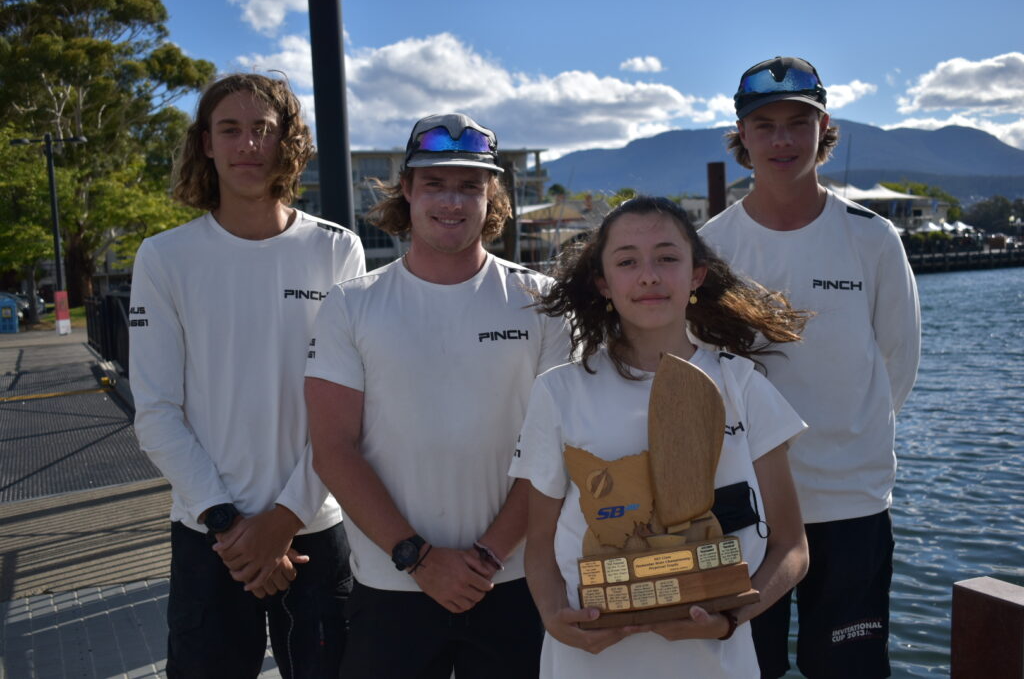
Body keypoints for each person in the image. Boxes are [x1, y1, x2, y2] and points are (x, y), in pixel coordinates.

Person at [304, 112, 570, 678]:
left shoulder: (541, 302)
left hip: (515, 582)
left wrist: (488, 558)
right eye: (434, 183)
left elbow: (555, 448)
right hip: (390, 585)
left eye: (470, 185)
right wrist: (416, 558)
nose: (452, 201)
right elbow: (332, 448)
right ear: (406, 189)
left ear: (491, 194)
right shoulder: (352, 305)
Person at [510, 195, 811, 678]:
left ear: (696, 275)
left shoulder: (742, 385)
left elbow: (792, 546)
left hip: (717, 663)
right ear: (604, 284)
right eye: (627, 261)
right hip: (591, 663)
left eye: (667, 258)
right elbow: (539, 544)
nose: (649, 275)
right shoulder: (558, 391)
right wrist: (554, 619)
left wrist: (730, 619)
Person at [128, 73, 365, 678]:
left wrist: (284, 519)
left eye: (263, 129)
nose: (247, 144)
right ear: (205, 142)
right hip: (210, 533)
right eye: (229, 129)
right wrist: (232, 527)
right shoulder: (164, 258)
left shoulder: (337, 251)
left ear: (287, 140)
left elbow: (353, 408)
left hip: (313, 524)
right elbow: (156, 411)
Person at [699, 56, 922, 678]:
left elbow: (897, 362)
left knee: (850, 668)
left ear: (824, 128)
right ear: (741, 134)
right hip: (744, 505)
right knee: (748, 668)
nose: (783, 139)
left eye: (799, 122)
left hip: (852, 501)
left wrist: (849, 437)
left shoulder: (872, 238)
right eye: (765, 124)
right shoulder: (710, 248)